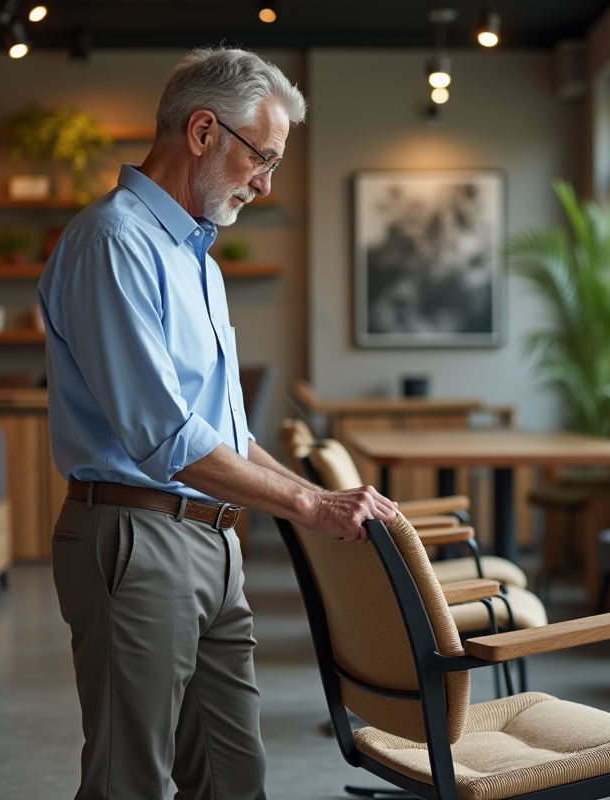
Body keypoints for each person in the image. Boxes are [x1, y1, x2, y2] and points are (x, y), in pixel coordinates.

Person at [37, 47, 396, 800]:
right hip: (137, 542)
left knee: (235, 780)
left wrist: (316, 500)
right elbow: (165, 436)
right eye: (261, 157)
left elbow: (227, 439)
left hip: (211, 541)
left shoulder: (196, 258)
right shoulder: (114, 242)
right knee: (128, 782)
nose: (266, 183)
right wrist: (307, 504)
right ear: (203, 131)